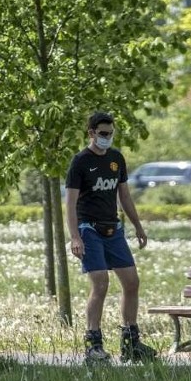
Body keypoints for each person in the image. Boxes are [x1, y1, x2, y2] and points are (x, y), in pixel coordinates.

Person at [65, 111, 157, 364]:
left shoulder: (116, 159)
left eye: (111, 133)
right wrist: (75, 237)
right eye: (103, 134)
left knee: (131, 282)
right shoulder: (80, 162)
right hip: (89, 229)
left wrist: (138, 226)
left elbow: (124, 196)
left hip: (113, 229)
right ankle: (93, 345)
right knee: (101, 283)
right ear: (91, 133)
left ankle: (131, 342)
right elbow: (70, 203)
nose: (107, 138)